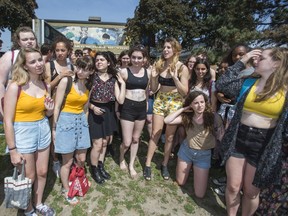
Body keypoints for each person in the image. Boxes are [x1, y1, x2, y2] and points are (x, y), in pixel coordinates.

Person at [215, 47, 288, 216]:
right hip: (238, 138)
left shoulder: (285, 90)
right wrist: (242, 60)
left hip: (263, 145)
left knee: (250, 191)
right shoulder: (248, 81)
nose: (255, 60)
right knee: (233, 186)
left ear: (276, 64)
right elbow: (222, 84)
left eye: (261, 58)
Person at [4, 48, 55, 216]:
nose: (38, 64)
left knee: (42, 172)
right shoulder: (14, 87)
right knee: (28, 176)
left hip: (42, 128)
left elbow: (46, 113)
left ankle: (38, 203)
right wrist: (12, 150)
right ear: (24, 66)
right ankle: (28, 209)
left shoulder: (46, 84)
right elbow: (7, 121)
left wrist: (49, 110)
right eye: (32, 62)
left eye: (40, 60)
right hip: (23, 132)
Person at [144, 37, 190, 181]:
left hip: (175, 103)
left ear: (176, 50)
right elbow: (153, 88)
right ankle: (147, 164)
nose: (165, 50)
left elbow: (184, 92)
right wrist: (152, 77)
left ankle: (164, 164)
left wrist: (175, 78)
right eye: (164, 47)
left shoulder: (183, 68)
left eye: (169, 47)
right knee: (155, 134)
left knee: (170, 137)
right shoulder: (159, 65)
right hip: (160, 100)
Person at [164, 91, 223, 198]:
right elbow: (167, 120)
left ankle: (195, 170)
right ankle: (190, 169)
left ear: (206, 102)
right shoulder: (187, 117)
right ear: (190, 104)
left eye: (202, 102)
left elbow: (221, 135)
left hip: (203, 156)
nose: (200, 105)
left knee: (199, 195)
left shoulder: (214, 117)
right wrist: (183, 109)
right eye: (196, 103)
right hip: (186, 151)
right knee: (180, 182)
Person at [53, 56, 94, 205]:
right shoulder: (67, 81)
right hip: (66, 122)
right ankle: (66, 189)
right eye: (79, 67)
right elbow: (57, 106)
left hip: (81, 123)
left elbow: (85, 108)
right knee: (67, 161)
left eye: (85, 69)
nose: (80, 71)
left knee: (82, 159)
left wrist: (85, 123)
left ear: (91, 71)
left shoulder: (89, 87)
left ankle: (77, 179)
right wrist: (55, 129)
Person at [89, 52, 125, 184]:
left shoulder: (113, 78)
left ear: (108, 63)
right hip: (94, 111)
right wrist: (93, 108)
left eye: (102, 60)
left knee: (105, 142)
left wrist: (123, 84)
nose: (99, 62)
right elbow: (84, 99)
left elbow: (120, 100)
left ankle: (100, 165)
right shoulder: (91, 77)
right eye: (97, 60)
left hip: (108, 111)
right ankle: (94, 169)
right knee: (97, 143)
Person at [118, 45, 151, 178]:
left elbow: (147, 90)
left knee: (136, 139)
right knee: (127, 141)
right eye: (134, 57)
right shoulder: (124, 72)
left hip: (141, 108)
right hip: (127, 108)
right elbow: (119, 93)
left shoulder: (148, 72)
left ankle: (131, 164)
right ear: (130, 58)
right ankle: (121, 157)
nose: (136, 60)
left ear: (144, 59)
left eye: (139, 58)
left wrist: (147, 103)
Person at [45, 36, 75, 178]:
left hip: (68, 107)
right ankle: (55, 160)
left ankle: (67, 160)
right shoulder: (49, 66)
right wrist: (60, 76)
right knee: (54, 134)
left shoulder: (73, 66)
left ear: (68, 51)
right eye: (57, 50)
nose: (60, 53)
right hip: (53, 107)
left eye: (63, 50)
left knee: (66, 134)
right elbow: (46, 87)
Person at [0, 26, 38, 120]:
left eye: (32, 39)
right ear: (19, 42)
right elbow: (0, 83)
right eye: (25, 39)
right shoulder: (10, 56)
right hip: (14, 106)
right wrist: (2, 109)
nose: (29, 41)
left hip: (35, 106)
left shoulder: (39, 57)